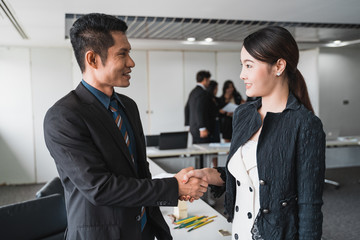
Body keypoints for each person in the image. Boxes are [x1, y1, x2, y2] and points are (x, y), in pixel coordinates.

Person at [44, 13, 207, 240]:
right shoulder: (64, 116)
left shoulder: (127, 106)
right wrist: (174, 188)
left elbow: (140, 171)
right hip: (103, 233)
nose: (131, 62)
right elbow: (100, 188)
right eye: (123, 54)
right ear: (92, 59)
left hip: (143, 229)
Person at [183, 26, 326, 240]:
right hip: (239, 231)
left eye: (249, 65)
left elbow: (310, 206)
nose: (242, 75)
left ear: (278, 66)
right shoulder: (244, 113)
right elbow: (252, 173)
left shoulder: (305, 124)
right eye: (242, 65)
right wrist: (210, 175)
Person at [184, 70, 213, 144]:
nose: (209, 82)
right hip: (201, 129)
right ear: (205, 80)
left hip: (193, 127)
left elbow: (186, 108)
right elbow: (199, 111)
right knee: (203, 151)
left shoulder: (193, 92)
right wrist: (202, 128)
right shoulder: (202, 93)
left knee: (197, 150)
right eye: (209, 80)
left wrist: (187, 125)